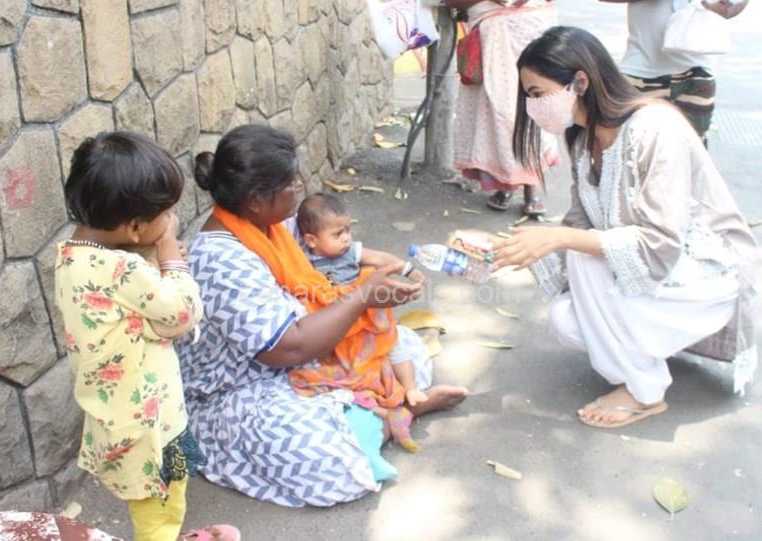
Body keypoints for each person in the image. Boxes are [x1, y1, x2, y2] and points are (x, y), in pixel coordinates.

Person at [175, 125, 468, 507]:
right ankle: (395, 413)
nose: (299, 185)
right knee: (322, 455)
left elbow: (333, 250)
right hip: (238, 391)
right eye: (289, 183)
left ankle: (376, 413)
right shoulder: (221, 260)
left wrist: (378, 278)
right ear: (256, 200)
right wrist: (362, 296)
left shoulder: (271, 226)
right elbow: (286, 349)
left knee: (406, 348)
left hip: (297, 362)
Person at [492, 26, 757, 428]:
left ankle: (644, 392)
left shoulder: (655, 128)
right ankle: (643, 348)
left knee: (582, 255)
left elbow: (660, 243)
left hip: (703, 275)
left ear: (580, 82)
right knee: (564, 321)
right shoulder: (582, 139)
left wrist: (560, 238)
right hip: (656, 273)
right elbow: (579, 223)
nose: (533, 107)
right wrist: (510, 250)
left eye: (537, 93)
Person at [55, 132, 239, 541]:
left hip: (120, 419)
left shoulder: (72, 257)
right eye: (166, 214)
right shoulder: (124, 270)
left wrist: (156, 264)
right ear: (136, 227)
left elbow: (135, 315)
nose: (171, 220)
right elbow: (182, 312)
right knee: (160, 510)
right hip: (152, 428)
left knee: (162, 500)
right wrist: (171, 258)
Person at [296, 192, 430, 412]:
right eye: (338, 234)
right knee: (340, 366)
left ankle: (411, 388)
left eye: (347, 230)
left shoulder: (351, 252)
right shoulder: (304, 262)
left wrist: (408, 270)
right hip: (337, 325)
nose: (346, 238)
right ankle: (371, 400)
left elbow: (381, 259)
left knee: (392, 342)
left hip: (366, 317)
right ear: (312, 240)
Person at [447, 0, 559, 215]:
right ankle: (505, 184)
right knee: (494, 114)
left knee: (528, 106)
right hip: (492, 28)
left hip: (529, 26)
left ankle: (530, 188)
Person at [602, 0, 749, 145]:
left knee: (693, 149)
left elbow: (734, 6)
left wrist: (725, 7)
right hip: (640, 72)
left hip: (698, 74)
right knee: (632, 146)